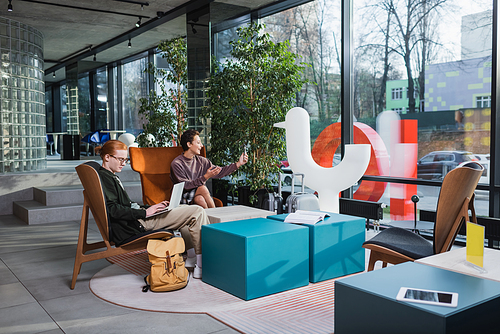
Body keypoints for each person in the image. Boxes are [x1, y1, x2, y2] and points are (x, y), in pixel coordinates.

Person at [97, 140, 208, 278]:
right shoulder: (106, 178)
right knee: (196, 211)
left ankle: (191, 257)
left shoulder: (109, 175)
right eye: (120, 159)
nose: (123, 163)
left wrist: (152, 207)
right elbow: (113, 210)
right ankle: (203, 265)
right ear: (107, 157)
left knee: (184, 208)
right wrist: (145, 212)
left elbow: (126, 205)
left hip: (139, 218)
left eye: (125, 160)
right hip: (137, 223)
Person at [170, 129, 248, 208]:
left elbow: (220, 172)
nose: (201, 145)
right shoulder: (177, 164)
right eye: (198, 142)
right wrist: (205, 177)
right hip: (182, 197)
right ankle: (217, 215)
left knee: (200, 199)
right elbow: (186, 186)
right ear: (189, 144)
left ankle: (211, 220)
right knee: (202, 188)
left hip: (197, 195)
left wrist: (238, 164)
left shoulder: (202, 161)